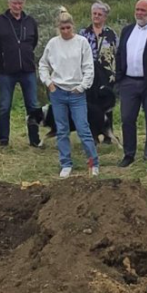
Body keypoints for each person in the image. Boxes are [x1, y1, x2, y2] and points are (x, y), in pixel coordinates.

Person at [39, 9, 98, 178]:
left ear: (73, 26)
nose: (65, 31)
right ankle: (66, 163)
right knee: (62, 129)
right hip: (58, 92)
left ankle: (93, 163)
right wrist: (48, 82)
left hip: (76, 93)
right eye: (62, 28)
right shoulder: (52, 44)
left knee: (83, 128)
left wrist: (82, 86)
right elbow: (43, 64)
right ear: (58, 28)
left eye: (68, 28)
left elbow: (88, 68)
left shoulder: (82, 42)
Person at [115, 0, 147, 167]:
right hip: (128, 82)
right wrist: (119, 78)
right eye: (137, 9)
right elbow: (120, 54)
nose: (139, 13)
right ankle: (129, 154)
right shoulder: (127, 30)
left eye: (143, 10)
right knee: (127, 118)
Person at [0, 0, 41, 147]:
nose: (17, 6)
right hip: (6, 71)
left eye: (20, 3)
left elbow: (34, 42)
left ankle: (34, 139)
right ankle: (3, 140)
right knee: (5, 105)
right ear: (8, 2)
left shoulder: (30, 21)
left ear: (24, 3)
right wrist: (4, 59)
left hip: (28, 70)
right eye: (14, 3)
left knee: (32, 105)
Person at [80, 1, 118, 143]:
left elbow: (117, 53)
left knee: (107, 103)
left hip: (106, 74)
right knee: (90, 104)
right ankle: (93, 134)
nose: (96, 16)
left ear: (105, 17)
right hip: (88, 73)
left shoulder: (111, 34)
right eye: (94, 14)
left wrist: (116, 73)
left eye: (99, 14)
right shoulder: (83, 33)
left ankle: (108, 134)